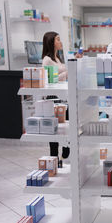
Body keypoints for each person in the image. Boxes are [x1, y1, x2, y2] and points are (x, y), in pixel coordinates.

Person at [42, 31, 79, 162]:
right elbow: (50, 80)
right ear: (51, 42)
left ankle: (63, 154)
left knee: (65, 127)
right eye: (58, 39)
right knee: (54, 132)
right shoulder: (47, 60)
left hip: (62, 98)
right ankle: (54, 160)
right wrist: (68, 72)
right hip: (53, 99)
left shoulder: (57, 58)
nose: (60, 41)